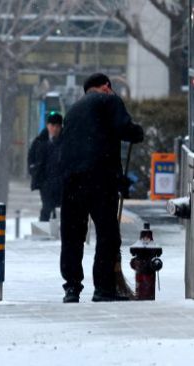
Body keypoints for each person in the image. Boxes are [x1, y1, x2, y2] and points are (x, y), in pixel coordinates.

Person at [58, 73, 144, 303]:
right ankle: (104, 288)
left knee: (73, 235)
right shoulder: (110, 100)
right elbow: (124, 128)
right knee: (107, 234)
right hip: (99, 178)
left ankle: (72, 288)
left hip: (71, 180)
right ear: (106, 86)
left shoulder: (73, 110)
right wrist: (138, 132)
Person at [28, 112, 63, 222]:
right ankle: (44, 227)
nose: (55, 129)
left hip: (62, 181)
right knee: (47, 206)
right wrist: (34, 171)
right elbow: (31, 158)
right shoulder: (40, 141)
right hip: (45, 181)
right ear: (48, 126)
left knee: (64, 206)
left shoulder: (66, 141)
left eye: (57, 126)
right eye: (52, 126)